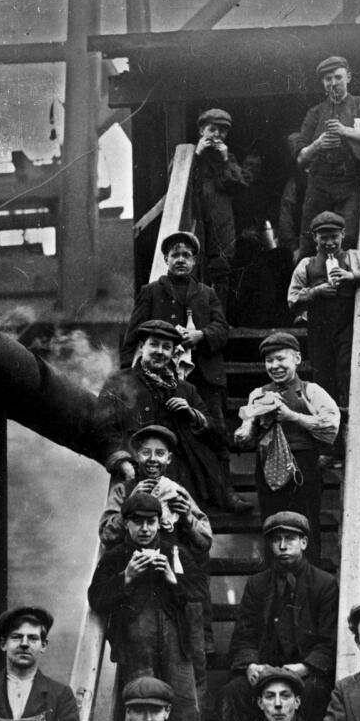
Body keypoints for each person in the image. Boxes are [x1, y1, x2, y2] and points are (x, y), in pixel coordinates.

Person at [119, 232, 249, 514]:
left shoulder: (207, 293)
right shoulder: (151, 291)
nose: (180, 260)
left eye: (186, 255)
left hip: (204, 374)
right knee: (166, 430)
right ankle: (172, 493)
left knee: (215, 430)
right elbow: (132, 336)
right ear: (166, 259)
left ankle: (224, 493)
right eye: (175, 255)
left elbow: (222, 328)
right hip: (165, 374)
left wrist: (201, 335)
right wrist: (126, 375)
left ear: (194, 260)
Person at [97, 422, 213, 709]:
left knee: (190, 665)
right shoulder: (124, 490)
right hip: (137, 586)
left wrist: (185, 516)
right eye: (146, 452)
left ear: (169, 459)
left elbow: (205, 540)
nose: (152, 459)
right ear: (136, 455)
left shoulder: (178, 491)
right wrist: (134, 509)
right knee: (140, 677)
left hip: (176, 582)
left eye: (160, 453)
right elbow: (106, 533)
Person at [219, 511, 338, 721]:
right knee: (233, 692)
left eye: (290, 539)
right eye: (276, 540)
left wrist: (304, 667)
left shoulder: (324, 584)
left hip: (305, 671)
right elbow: (244, 636)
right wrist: (251, 665)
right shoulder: (257, 584)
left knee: (316, 692)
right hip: (265, 670)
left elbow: (329, 641)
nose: (283, 546)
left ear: (303, 542)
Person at [87, 491, 203, 721]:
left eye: (150, 522)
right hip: (134, 647)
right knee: (142, 709)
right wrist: (126, 577)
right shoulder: (116, 557)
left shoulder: (173, 551)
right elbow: (96, 598)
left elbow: (199, 589)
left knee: (184, 708)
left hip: (176, 645)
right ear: (126, 523)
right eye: (137, 522)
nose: (145, 529)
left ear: (158, 523)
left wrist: (173, 579)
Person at [95, 318, 227, 513]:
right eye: (154, 345)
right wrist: (122, 463)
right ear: (142, 347)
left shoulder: (186, 390)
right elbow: (101, 427)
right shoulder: (118, 383)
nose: (160, 351)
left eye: (166, 347)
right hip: (132, 473)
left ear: (174, 352)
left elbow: (217, 433)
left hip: (178, 477)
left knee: (176, 535)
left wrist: (193, 415)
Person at [234, 331, 339, 557]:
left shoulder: (312, 391)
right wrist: (245, 431)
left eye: (281, 359)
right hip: (268, 467)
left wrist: (292, 416)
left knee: (306, 524)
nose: (275, 366)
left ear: (297, 359)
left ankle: (308, 580)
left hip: (303, 468)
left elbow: (330, 426)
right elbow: (247, 430)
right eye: (269, 361)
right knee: (272, 524)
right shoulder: (258, 393)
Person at [288, 211, 360, 430]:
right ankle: (330, 438)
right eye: (323, 237)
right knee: (323, 379)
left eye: (334, 236)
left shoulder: (353, 257)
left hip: (347, 327)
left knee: (346, 370)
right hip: (320, 330)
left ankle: (351, 426)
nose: (329, 242)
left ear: (343, 235)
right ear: (314, 238)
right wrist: (316, 292)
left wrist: (353, 276)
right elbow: (292, 299)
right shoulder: (306, 265)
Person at [294, 55, 360, 257]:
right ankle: (314, 287)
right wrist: (317, 145)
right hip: (318, 186)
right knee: (310, 242)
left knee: (348, 239)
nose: (333, 83)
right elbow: (301, 157)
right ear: (323, 83)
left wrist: (345, 131)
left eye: (338, 77)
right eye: (328, 79)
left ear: (348, 77)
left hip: (349, 185)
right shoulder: (315, 112)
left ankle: (343, 287)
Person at [191, 108, 248, 310]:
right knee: (194, 264)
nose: (217, 135)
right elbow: (178, 180)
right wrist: (196, 155)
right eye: (212, 129)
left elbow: (239, 186)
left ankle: (219, 317)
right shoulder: (189, 155)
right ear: (201, 131)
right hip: (196, 217)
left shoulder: (228, 159)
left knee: (221, 267)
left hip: (221, 220)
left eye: (222, 131)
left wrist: (224, 161)